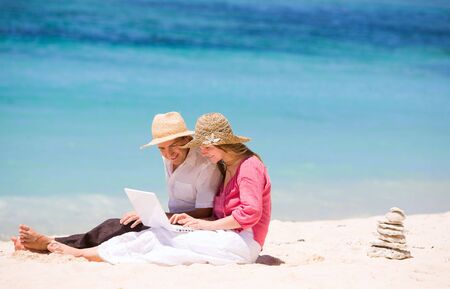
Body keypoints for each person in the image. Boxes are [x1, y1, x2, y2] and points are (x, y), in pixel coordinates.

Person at [45, 112, 271, 265]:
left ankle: (82, 254)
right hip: (229, 235)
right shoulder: (227, 165)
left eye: (205, 147)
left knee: (161, 241)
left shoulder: (249, 167)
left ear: (221, 144)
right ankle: (84, 251)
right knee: (157, 234)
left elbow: (250, 213)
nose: (202, 152)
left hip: (244, 242)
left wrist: (205, 225)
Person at [12, 112, 222, 252]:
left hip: (191, 225)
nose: (168, 154)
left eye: (173, 147)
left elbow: (205, 212)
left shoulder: (205, 166)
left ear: (186, 140)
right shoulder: (168, 157)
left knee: (119, 226)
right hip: (169, 219)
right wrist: (155, 214)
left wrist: (159, 216)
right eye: (161, 149)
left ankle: (49, 244)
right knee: (117, 224)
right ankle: (52, 242)